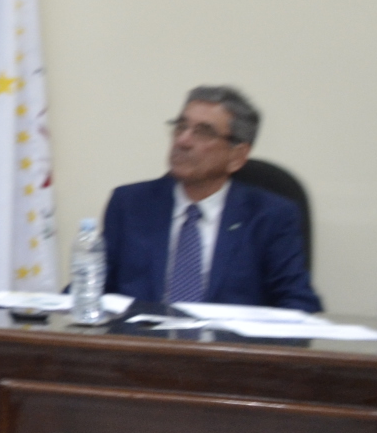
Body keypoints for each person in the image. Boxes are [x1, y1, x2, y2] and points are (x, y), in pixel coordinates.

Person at [102, 85, 318, 312]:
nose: (183, 141)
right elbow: (88, 291)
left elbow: (299, 304)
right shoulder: (130, 205)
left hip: (228, 345)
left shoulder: (271, 216)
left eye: (203, 132)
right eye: (181, 127)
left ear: (237, 156)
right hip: (141, 343)